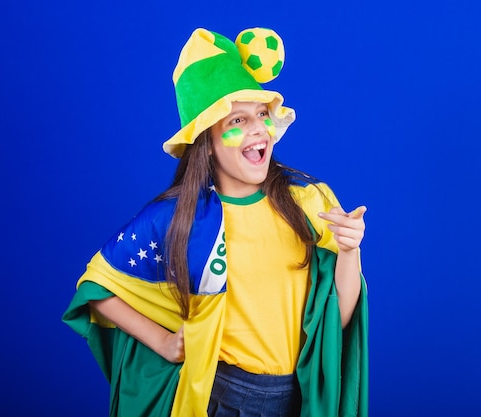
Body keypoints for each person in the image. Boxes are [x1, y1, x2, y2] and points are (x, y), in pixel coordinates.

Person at [62, 27, 369, 417]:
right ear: (206, 142)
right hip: (221, 398)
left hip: (297, 398)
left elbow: (335, 322)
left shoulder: (308, 203)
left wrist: (348, 250)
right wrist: (162, 342)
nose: (259, 128)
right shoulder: (180, 218)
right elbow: (96, 288)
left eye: (261, 114)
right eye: (237, 120)